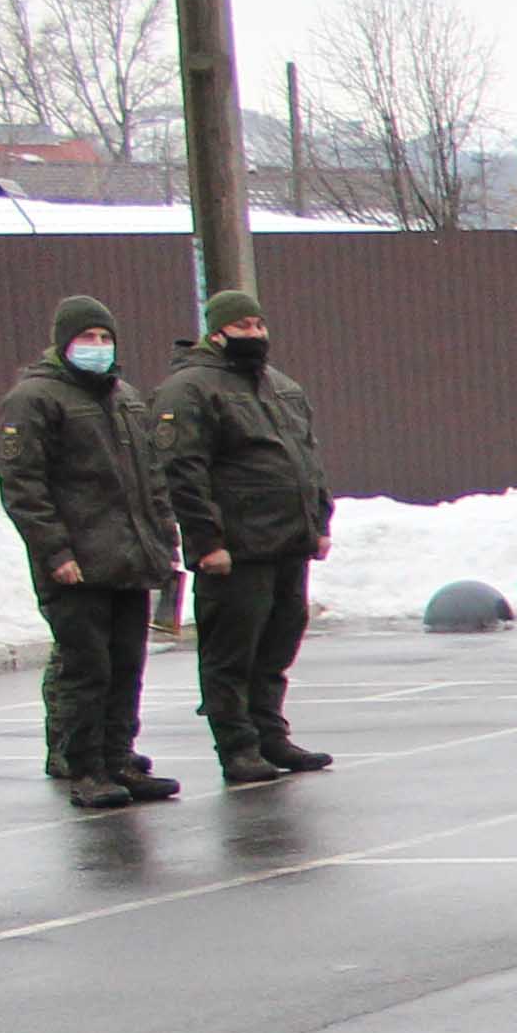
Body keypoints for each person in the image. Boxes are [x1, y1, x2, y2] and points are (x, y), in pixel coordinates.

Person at [0, 296, 185, 813]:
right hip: (78, 563)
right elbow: (24, 486)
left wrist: (164, 540)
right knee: (87, 668)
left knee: (127, 664)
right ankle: (85, 767)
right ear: (63, 343)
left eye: (105, 338)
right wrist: (55, 551)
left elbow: (150, 478)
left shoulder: (123, 397)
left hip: (130, 557)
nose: (98, 348)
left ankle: (118, 757)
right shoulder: (34, 398)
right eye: (87, 338)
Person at [154, 288, 337, 785]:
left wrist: (319, 521)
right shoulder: (190, 388)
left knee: (279, 642)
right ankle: (236, 745)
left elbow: (307, 457)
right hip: (236, 549)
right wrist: (207, 541)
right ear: (216, 332)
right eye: (243, 327)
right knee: (232, 650)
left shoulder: (280, 386)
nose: (255, 334)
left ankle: (269, 733)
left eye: (259, 325)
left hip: (287, 542)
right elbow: (183, 471)